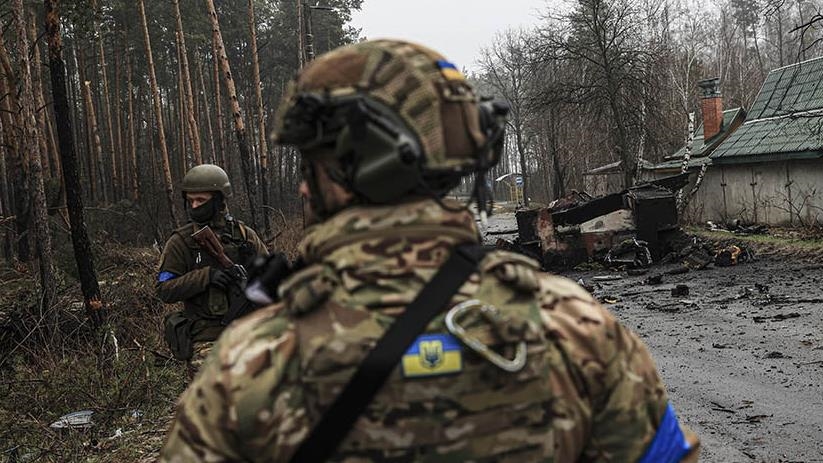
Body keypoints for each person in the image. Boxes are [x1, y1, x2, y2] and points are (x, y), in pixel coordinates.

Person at [161, 40, 699, 462]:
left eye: (311, 164)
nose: (302, 185)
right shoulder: (579, 328)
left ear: (329, 179)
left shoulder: (251, 362)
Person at [156, 164, 268, 378]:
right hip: (206, 338)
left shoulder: (244, 235)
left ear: (218, 201)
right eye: (190, 201)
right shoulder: (181, 242)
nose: (194, 206)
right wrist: (206, 277)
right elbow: (164, 288)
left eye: (201, 201)